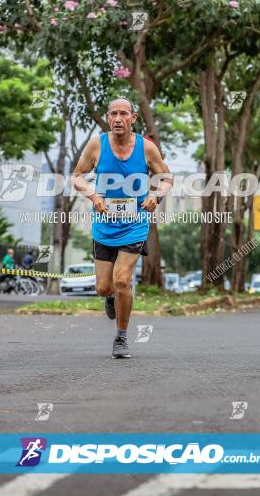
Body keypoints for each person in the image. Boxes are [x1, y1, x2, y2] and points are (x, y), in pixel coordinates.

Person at [71, 98, 173, 358]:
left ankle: (121, 337)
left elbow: (167, 178)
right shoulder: (97, 145)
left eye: (123, 114)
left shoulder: (146, 148)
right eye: (113, 114)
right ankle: (109, 298)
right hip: (104, 226)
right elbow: (77, 176)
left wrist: (156, 196)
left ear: (133, 118)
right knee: (105, 287)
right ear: (108, 118)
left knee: (122, 280)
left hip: (135, 224)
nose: (118, 118)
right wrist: (94, 196)